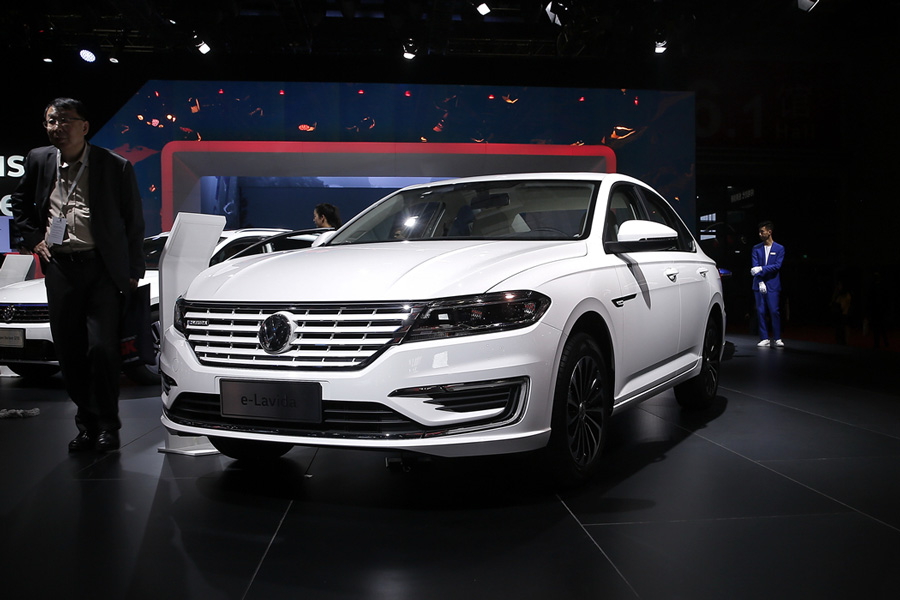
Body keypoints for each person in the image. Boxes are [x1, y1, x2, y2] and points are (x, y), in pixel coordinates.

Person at [11, 98, 145, 452]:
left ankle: (108, 427)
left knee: (102, 349)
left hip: (101, 269)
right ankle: (87, 425)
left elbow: (133, 221)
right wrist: (34, 239)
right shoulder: (39, 159)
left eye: (65, 120)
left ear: (84, 126)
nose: (57, 127)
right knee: (69, 352)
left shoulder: (114, 165)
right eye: (51, 121)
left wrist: (133, 270)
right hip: (60, 269)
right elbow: (20, 204)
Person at [751, 220, 785, 348]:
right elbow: (754, 267)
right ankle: (764, 338)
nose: (760, 234)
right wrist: (760, 281)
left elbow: (777, 266)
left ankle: (777, 338)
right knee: (761, 311)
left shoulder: (779, 248)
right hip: (759, 284)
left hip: (773, 284)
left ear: (769, 232)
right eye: (759, 232)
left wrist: (762, 269)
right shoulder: (756, 248)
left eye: (762, 232)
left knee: (774, 311)